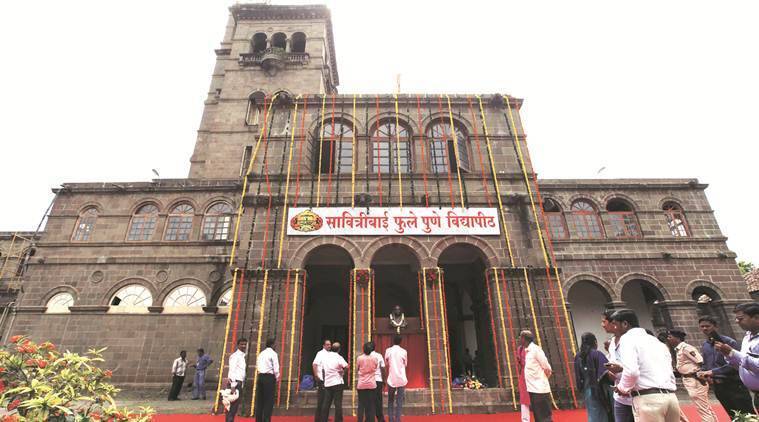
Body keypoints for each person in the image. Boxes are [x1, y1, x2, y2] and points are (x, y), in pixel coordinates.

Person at [606, 309, 681, 422]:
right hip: (670, 397)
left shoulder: (627, 339)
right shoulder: (656, 341)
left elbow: (632, 371)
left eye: (615, 325)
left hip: (648, 399)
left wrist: (622, 388)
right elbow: (669, 370)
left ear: (625, 324)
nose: (613, 328)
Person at [696, 315, 755, 418]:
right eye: (702, 326)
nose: (705, 329)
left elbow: (736, 364)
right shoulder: (705, 345)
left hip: (734, 384)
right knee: (733, 416)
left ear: (715, 326)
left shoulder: (728, 342)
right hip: (718, 386)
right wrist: (703, 373)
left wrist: (713, 372)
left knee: (747, 416)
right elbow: (706, 364)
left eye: (707, 326)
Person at [666, 329, 718, 422]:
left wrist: (701, 376)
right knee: (704, 406)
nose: (668, 339)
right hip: (688, 379)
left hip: (695, 380)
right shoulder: (679, 349)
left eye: (670, 337)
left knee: (702, 407)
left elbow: (700, 361)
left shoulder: (686, 348)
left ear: (677, 338)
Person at [716, 302, 759, 409]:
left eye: (740, 319)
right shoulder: (747, 337)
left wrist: (734, 353)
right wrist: (728, 354)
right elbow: (741, 365)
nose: (736, 321)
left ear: (756, 317)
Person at [599, 310, 634, 422]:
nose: (602, 325)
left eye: (604, 322)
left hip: (636, 392)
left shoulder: (633, 340)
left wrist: (621, 369)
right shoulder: (612, 342)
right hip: (620, 396)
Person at [574, 332, 612, 422]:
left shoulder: (578, 356)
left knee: (592, 414)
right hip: (599, 390)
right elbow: (607, 371)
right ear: (595, 342)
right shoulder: (597, 354)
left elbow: (578, 375)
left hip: (586, 390)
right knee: (602, 413)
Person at [520, 330, 552, 422]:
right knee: (538, 416)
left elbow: (547, 367)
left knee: (544, 416)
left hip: (540, 389)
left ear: (524, 339)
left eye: (520, 337)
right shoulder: (527, 351)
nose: (519, 340)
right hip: (532, 389)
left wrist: (543, 380)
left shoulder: (536, 350)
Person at [320, 341, 349, 422]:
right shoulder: (339, 357)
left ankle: (323, 420)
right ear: (339, 349)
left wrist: (324, 379)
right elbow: (347, 366)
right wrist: (343, 372)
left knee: (326, 404)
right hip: (337, 382)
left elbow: (322, 369)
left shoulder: (325, 357)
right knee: (338, 404)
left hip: (328, 382)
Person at [254, 337, 280, 422]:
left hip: (260, 376)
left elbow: (258, 365)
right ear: (272, 344)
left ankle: (258, 420)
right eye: (275, 343)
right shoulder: (273, 354)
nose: (276, 345)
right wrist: (277, 377)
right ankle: (266, 420)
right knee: (268, 401)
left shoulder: (261, 353)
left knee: (260, 400)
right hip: (269, 378)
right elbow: (276, 368)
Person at [385, 335, 408, 422]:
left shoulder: (388, 350)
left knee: (390, 400)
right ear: (400, 341)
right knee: (399, 400)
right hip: (401, 378)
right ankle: (398, 419)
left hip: (392, 378)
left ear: (393, 341)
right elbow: (405, 364)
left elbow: (386, 363)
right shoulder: (403, 351)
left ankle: (391, 419)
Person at [226, 338, 248, 422]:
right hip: (234, 384)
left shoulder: (242, 356)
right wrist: (233, 385)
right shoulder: (235, 356)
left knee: (234, 407)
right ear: (238, 345)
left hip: (239, 383)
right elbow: (232, 370)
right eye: (242, 344)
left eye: (245, 344)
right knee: (232, 407)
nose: (244, 346)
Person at [357, 342, 379, 422]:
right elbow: (376, 367)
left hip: (362, 384)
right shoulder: (374, 358)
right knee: (371, 404)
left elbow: (358, 368)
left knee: (361, 404)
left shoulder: (359, 358)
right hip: (371, 384)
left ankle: (360, 420)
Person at [312, 339, 332, 422]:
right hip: (322, 379)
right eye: (327, 344)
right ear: (323, 346)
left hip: (328, 380)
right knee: (321, 400)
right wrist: (316, 375)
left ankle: (324, 418)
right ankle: (318, 419)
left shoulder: (330, 354)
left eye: (330, 344)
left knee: (326, 401)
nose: (329, 346)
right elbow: (314, 364)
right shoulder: (320, 353)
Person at [368, 341, 386, 422]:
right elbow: (383, 368)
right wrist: (384, 379)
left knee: (369, 400)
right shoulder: (379, 355)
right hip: (378, 380)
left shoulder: (365, 356)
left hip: (368, 380)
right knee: (378, 400)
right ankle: (380, 419)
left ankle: (369, 418)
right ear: (375, 347)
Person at [516, 338, 531, 422]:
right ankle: (525, 420)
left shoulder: (534, 349)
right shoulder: (520, 349)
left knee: (537, 398)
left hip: (533, 375)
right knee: (524, 398)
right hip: (524, 375)